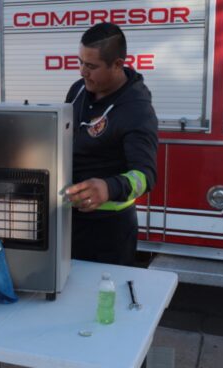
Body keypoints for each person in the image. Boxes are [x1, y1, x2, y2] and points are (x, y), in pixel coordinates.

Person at [64, 22, 158, 266]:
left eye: (91, 66)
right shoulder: (78, 90)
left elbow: (145, 176)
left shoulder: (137, 109)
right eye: (80, 62)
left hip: (109, 233)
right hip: (68, 221)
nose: (82, 72)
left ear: (117, 64)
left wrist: (108, 187)